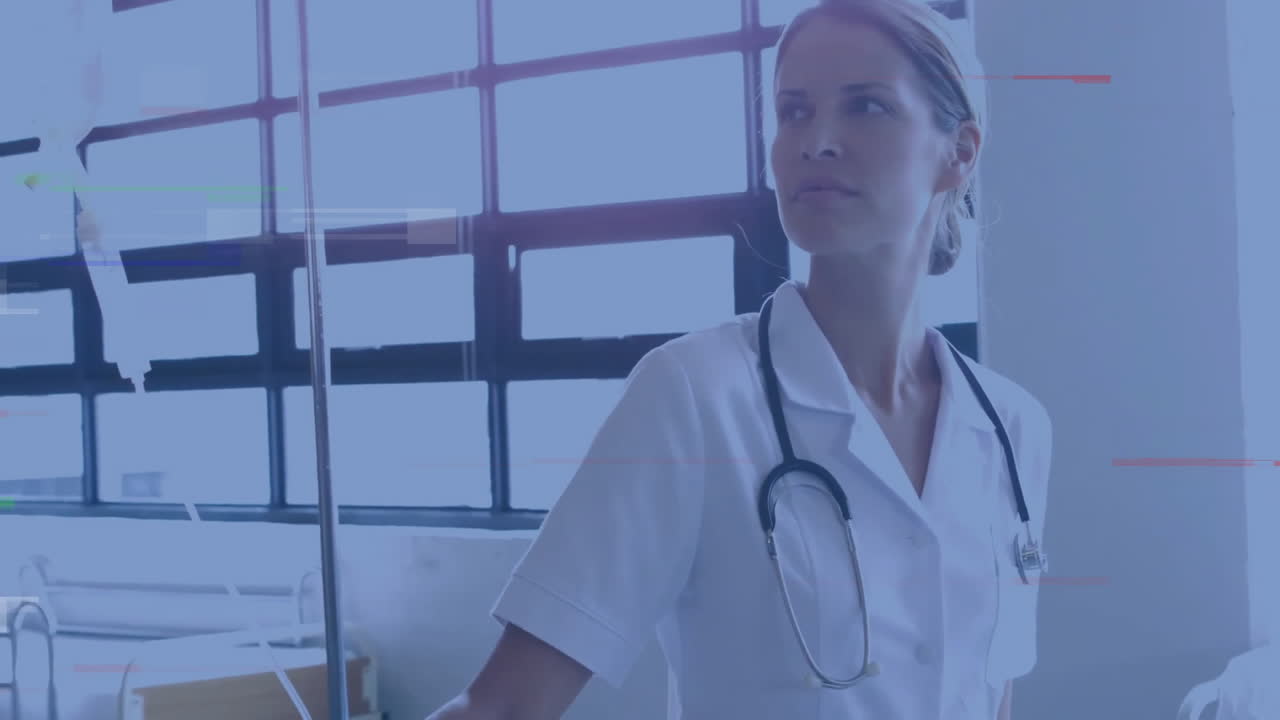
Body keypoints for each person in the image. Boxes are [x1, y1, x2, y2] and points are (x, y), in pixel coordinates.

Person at [427, 0, 1053, 718]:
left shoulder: (1011, 427)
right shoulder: (694, 398)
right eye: (793, 111)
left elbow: (991, 694)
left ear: (959, 152)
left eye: (866, 107)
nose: (817, 141)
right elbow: (502, 707)